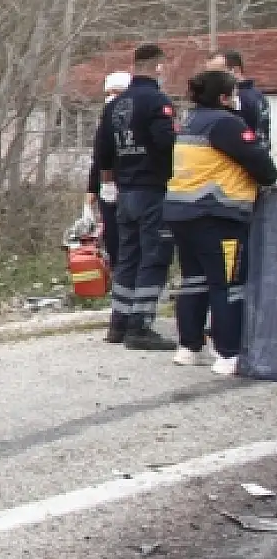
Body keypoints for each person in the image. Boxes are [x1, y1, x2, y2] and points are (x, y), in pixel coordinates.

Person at [164, 69, 277, 374]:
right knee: (227, 285)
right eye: (234, 94)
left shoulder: (192, 121)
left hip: (182, 212)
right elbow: (259, 162)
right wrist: (269, 179)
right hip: (216, 214)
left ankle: (189, 346)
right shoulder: (226, 123)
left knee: (194, 281)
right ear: (225, 97)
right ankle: (228, 354)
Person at [94, 43, 178, 351]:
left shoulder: (115, 105)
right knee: (153, 255)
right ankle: (140, 325)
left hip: (124, 189)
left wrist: (108, 182)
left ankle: (119, 320)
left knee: (127, 255)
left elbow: (103, 150)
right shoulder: (156, 101)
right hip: (153, 188)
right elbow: (166, 143)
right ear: (158, 66)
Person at [79, 72, 131, 273]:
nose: (111, 98)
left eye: (116, 93)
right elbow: (99, 158)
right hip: (108, 188)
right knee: (113, 237)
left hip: (132, 186)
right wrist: (92, 191)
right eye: (109, 93)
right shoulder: (104, 122)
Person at [205, 50, 271, 151]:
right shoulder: (256, 95)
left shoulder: (239, 98)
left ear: (235, 70)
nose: (210, 79)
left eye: (216, 73)